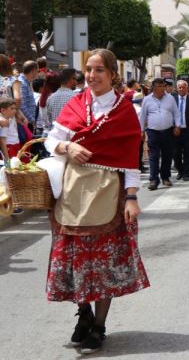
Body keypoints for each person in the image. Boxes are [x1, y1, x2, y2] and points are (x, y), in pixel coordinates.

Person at [44, 49, 149, 353]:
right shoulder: (77, 103)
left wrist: (131, 198)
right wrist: (67, 146)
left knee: (103, 263)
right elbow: (51, 139)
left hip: (109, 193)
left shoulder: (126, 111)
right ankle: (84, 313)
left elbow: (130, 160)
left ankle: (99, 325)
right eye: (88, 70)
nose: (91, 76)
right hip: (73, 191)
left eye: (99, 70)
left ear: (113, 74)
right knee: (75, 259)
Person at [139, 78, 181, 190]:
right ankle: (153, 180)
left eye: (164, 86)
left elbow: (176, 113)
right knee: (154, 156)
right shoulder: (147, 100)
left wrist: (177, 125)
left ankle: (165, 177)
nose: (163, 89)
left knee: (167, 155)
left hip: (168, 131)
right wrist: (141, 130)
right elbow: (142, 116)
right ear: (154, 88)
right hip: (153, 132)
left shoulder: (170, 98)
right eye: (160, 86)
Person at [172, 80, 189, 181]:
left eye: (183, 87)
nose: (181, 89)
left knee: (188, 153)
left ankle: (186, 173)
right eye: (179, 87)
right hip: (176, 131)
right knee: (176, 154)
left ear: (187, 89)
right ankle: (180, 170)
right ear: (177, 88)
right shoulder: (172, 100)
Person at [46, 68, 77, 133]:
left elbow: (48, 122)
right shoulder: (76, 98)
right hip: (70, 137)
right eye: (74, 79)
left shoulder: (50, 98)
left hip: (54, 138)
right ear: (71, 79)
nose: (76, 82)